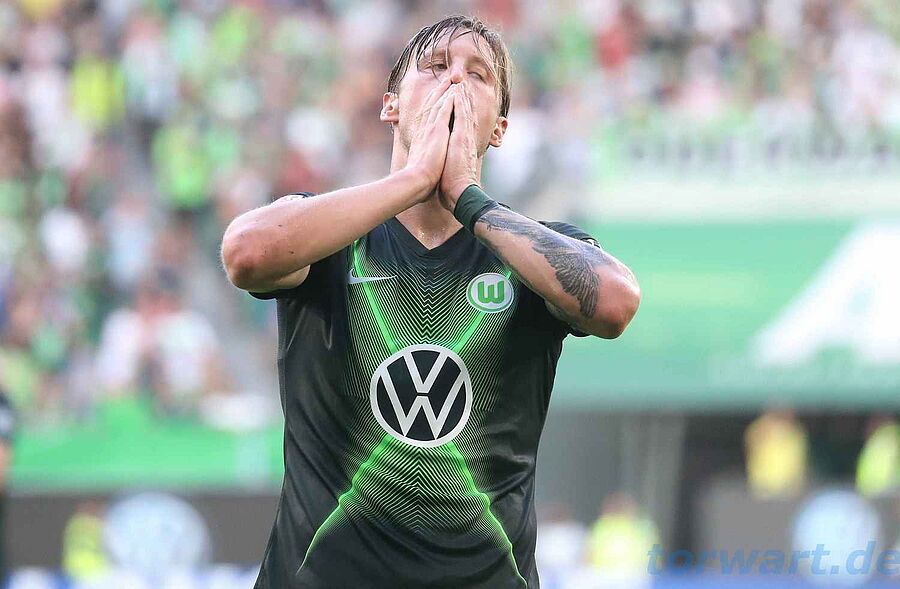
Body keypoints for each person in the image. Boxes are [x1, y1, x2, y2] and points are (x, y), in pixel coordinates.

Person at [221, 15, 640, 588]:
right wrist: (415, 179)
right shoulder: (329, 235)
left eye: (478, 74)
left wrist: (468, 198)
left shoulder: (531, 252)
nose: (455, 81)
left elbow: (615, 303)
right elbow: (245, 253)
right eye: (436, 66)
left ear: (499, 128)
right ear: (391, 106)